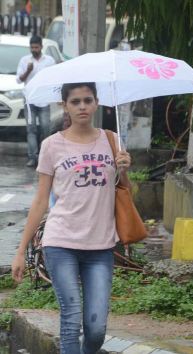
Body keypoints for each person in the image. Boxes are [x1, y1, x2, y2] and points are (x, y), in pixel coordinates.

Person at [11, 82, 132, 354]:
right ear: (64, 105)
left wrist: (124, 170)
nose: (82, 106)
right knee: (71, 317)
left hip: (100, 246)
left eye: (87, 100)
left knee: (97, 328)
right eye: (75, 101)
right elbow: (41, 200)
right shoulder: (51, 145)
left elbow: (125, 192)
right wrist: (21, 251)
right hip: (61, 242)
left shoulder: (112, 140)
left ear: (96, 103)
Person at [16, 35, 56, 167]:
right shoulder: (25, 60)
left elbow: (54, 77)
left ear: (41, 47)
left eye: (36, 47)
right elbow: (19, 80)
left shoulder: (49, 60)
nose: (34, 49)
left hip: (44, 99)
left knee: (45, 127)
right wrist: (28, 71)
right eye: (32, 47)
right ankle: (32, 157)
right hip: (29, 99)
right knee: (31, 129)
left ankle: (43, 156)